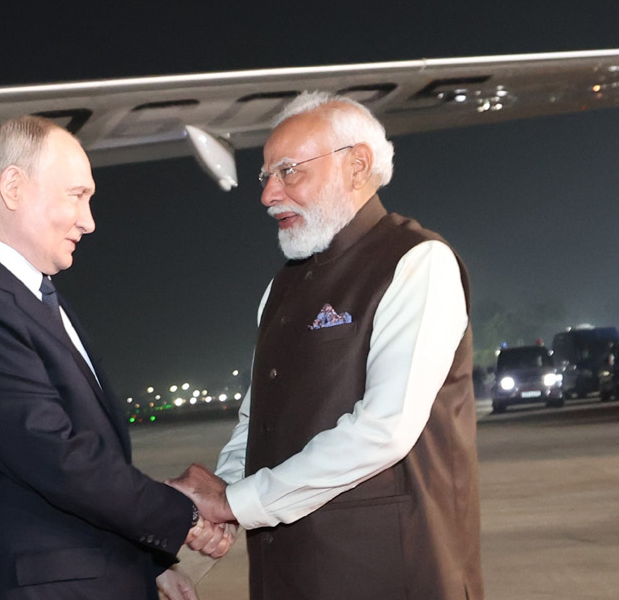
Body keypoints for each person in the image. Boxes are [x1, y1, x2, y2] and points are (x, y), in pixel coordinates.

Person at [172, 91, 484, 599]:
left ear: (356, 165)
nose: (269, 194)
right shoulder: (282, 287)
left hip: (391, 575)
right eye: (266, 176)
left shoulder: (417, 263)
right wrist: (222, 495)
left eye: (289, 171)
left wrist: (237, 503)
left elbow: (383, 430)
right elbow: (257, 422)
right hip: (289, 577)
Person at [0, 115, 230, 600]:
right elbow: (59, 459)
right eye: (76, 195)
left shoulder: (30, 298)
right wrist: (182, 515)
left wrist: (146, 564)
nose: (89, 220)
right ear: (14, 187)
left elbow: (81, 460)